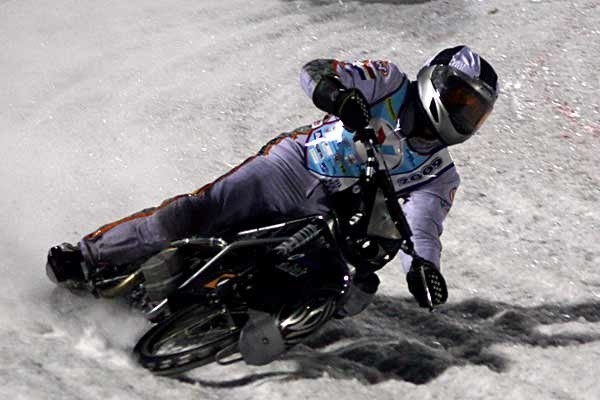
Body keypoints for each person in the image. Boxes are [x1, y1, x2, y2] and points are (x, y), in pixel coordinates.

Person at [46, 45, 499, 311]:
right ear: (434, 82)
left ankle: (222, 316)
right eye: (460, 98)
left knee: (340, 294)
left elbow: (421, 228)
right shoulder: (389, 82)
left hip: (337, 221)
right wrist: (337, 96)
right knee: (194, 212)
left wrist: (425, 269)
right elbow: (318, 72)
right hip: (293, 167)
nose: (463, 113)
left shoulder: (440, 173)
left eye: (473, 111)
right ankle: (87, 256)